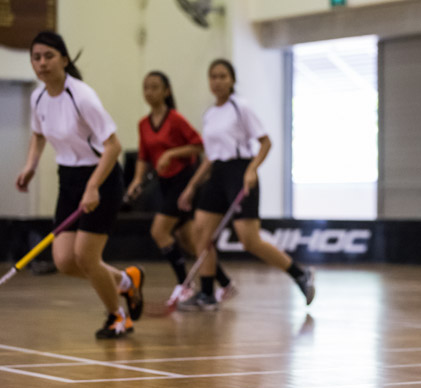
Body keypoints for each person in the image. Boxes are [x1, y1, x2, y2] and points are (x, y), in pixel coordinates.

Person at [15, 31, 144, 339]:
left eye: (49, 56)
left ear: (65, 59)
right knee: (64, 261)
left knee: (86, 257)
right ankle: (127, 282)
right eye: (36, 57)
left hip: (102, 176)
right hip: (69, 178)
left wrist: (93, 186)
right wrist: (31, 165)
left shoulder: (82, 96)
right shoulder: (38, 97)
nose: (42, 63)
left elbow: (113, 146)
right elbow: (38, 133)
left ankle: (118, 317)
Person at [176, 59, 315, 311]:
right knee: (200, 233)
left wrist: (251, 170)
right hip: (217, 174)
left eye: (223, 76)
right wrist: (192, 186)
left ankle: (299, 274)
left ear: (232, 80)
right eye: (213, 77)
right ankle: (207, 293)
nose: (217, 81)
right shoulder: (209, 114)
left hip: (240, 172)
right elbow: (210, 155)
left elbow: (265, 142)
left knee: (249, 240)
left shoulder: (241, 107)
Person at [125, 71, 236, 305]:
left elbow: (198, 145)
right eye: (146, 87)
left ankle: (184, 283)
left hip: (182, 182)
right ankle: (225, 283)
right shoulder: (143, 124)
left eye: (155, 87)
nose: (150, 92)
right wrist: (136, 181)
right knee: (189, 241)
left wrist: (171, 153)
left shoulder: (175, 119)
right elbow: (143, 157)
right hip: (164, 184)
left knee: (159, 231)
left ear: (167, 91)